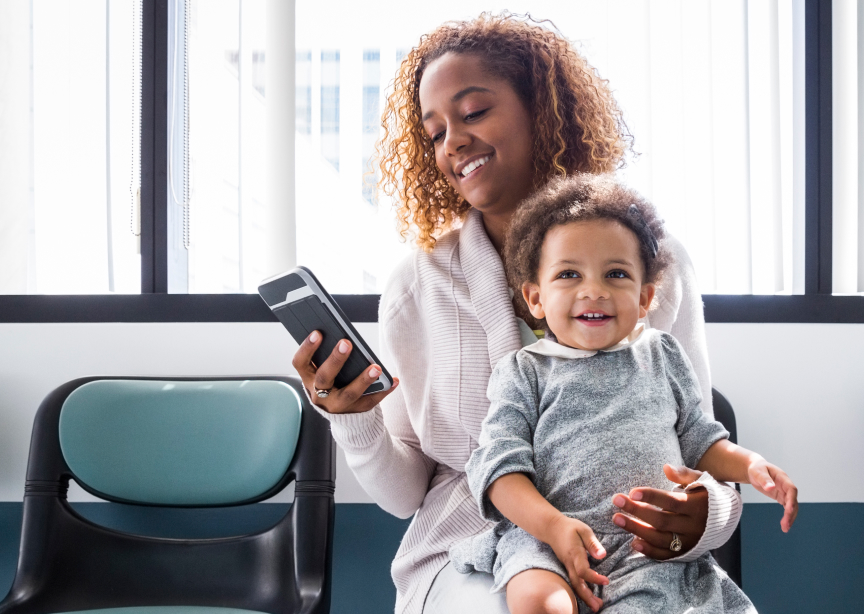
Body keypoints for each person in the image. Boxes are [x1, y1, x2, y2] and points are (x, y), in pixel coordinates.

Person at [291, 13, 745, 614]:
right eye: (434, 133)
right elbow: (404, 497)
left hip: (631, 548)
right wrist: (354, 419)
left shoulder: (654, 263)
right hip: (471, 544)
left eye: (474, 112)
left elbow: (699, 450)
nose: (451, 143)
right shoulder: (415, 286)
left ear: (543, 109)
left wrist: (703, 517)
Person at [449, 173, 798, 614]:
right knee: (540, 601)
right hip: (546, 539)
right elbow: (499, 472)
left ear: (645, 297)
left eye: (615, 274)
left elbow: (701, 440)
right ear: (535, 299)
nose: (593, 290)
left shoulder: (662, 354)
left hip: (643, 547)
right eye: (569, 274)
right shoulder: (524, 370)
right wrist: (553, 526)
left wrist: (753, 466)